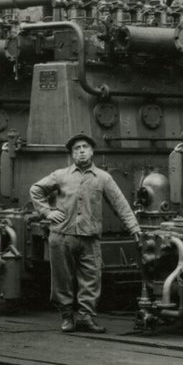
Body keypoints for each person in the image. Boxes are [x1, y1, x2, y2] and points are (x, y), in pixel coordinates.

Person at [29, 133, 143, 333]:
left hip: (89, 238)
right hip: (62, 236)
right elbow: (36, 189)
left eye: (84, 147)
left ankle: (86, 317)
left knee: (91, 278)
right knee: (62, 279)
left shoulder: (103, 178)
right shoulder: (60, 175)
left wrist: (134, 228)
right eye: (76, 148)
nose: (81, 151)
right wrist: (47, 212)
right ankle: (67, 317)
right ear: (72, 154)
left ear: (92, 151)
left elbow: (120, 204)